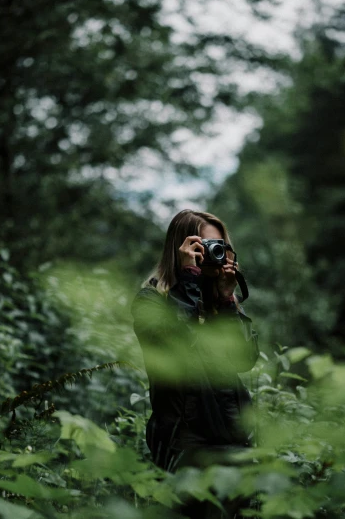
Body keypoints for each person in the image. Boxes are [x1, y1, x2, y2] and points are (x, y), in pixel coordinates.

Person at [131, 209, 259, 512]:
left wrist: (228, 301)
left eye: (221, 247)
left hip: (234, 445)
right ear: (183, 248)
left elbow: (244, 360)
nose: (215, 254)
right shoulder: (152, 300)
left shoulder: (222, 302)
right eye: (205, 246)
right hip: (184, 445)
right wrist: (188, 279)